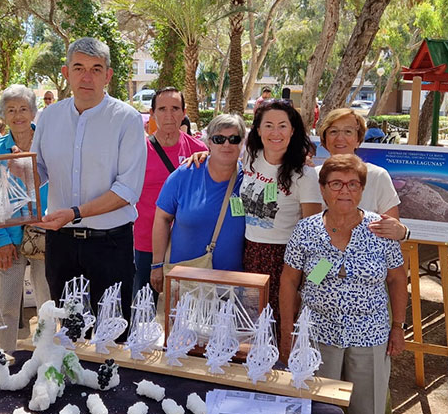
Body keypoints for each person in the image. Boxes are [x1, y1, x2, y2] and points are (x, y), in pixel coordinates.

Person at [279, 153, 407, 414]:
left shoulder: (381, 230)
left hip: (371, 335)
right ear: (322, 189)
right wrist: (287, 330)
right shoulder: (306, 231)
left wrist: (398, 327)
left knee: (369, 413)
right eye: (336, 184)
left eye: (353, 184)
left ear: (362, 190)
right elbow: (289, 282)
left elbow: (397, 280)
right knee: (319, 413)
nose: (345, 191)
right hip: (318, 335)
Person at [31, 37, 145, 326]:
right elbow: (40, 170)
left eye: (96, 69)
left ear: (108, 75)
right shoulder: (48, 117)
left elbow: (127, 190)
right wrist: (16, 169)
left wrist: (76, 214)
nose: (87, 76)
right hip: (60, 244)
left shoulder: (127, 119)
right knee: (68, 333)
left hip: (110, 244)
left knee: (113, 333)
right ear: (65, 72)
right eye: (79, 67)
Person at [241, 99, 322, 339]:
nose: (275, 132)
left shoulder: (305, 175)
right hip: (249, 254)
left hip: (286, 262)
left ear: (293, 130)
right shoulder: (249, 158)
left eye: (282, 126)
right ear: (257, 129)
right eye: (268, 125)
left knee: (282, 332)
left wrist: (310, 285)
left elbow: (316, 236)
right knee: (251, 329)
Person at [149, 114, 247, 292]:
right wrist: (157, 265)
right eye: (219, 139)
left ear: (242, 143)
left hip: (231, 285)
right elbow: (162, 218)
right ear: (209, 142)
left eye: (234, 139)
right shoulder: (185, 173)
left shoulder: (249, 179)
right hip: (185, 280)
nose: (226, 144)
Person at [0, 84, 51, 352]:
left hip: (45, 234)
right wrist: (0, 240)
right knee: (6, 306)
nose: (17, 115)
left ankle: (49, 358)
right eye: (11, 110)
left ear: (34, 112)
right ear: (3, 114)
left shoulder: (48, 143)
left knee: (48, 304)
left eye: (23, 108)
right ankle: (1, 362)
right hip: (7, 237)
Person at [134, 87, 207, 295]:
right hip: (147, 244)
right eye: (162, 109)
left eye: (175, 108)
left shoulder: (199, 151)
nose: (169, 115)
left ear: (184, 113)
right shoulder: (139, 151)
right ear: (153, 113)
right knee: (146, 311)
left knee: (183, 313)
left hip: (187, 245)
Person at [316, 109, 407, 240]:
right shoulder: (310, 176)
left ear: (358, 139)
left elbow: (392, 231)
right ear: (324, 139)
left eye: (348, 131)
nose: (340, 138)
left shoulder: (377, 176)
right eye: (333, 131)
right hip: (320, 257)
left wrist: (403, 232)